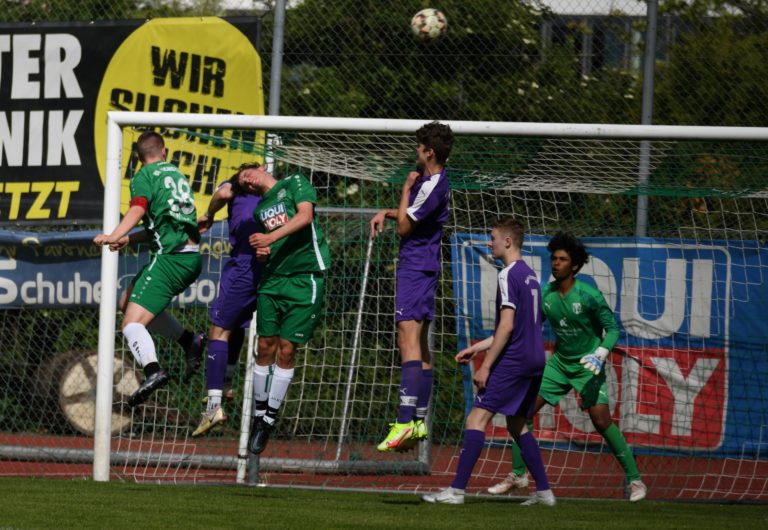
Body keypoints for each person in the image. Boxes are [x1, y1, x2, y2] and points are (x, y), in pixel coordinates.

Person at [487, 232, 647, 502]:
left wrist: (600, 353)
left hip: (589, 366)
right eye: (554, 258)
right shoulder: (545, 294)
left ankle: (635, 481)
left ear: (574, 266)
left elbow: (612, 330)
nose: (556, 263)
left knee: (601, 421)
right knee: (521, 413)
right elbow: (527, 327)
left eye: (562, 259)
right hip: (559, 364)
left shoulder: (589, 295)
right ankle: (518, 474)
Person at [421, 217, 554, 506]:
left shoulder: (508, 274)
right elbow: (518, 327)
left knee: (476, 418)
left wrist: (486, 365)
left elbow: (506, 327)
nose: (489, 242)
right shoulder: (531, 275)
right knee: (518, 423)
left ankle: (456, 491)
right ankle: (544, 492)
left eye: (492, 237)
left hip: (516, 359)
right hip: (534, 359)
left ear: (508, 241)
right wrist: (477, 348)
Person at [93, 131, 204, 407]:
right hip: (186, 257)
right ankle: (189, 340)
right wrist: (126, 238)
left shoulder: (144, 176)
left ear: (139, 157)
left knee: (131, 323)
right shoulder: (177, 175)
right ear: (164, 152)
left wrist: (112, 233)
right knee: (126, 301)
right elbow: (159, 225)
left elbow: (137, 210)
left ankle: (154, 371)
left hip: (171, 259)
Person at [369, 121, 453, 452]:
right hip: (424, 266)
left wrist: (404, 189)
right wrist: (386, 212)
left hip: (416, 267)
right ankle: (417, 421)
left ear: (429, 152)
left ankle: (404, 422)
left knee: (408, 340)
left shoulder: (429, 184)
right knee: (421, 343)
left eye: (418, 147)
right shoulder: (433, 183)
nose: (415, 152)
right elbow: (409, 217)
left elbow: (405, 226)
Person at [239, 164, 330, 454]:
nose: (249, 181)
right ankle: (258, 415)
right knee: (264, 346)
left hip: (305, 279)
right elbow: (268, 247)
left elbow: (305, 216)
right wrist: (264, 253)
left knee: (288, 349)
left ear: (261, 167)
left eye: (248, 174)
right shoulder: (259, 211)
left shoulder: (294, 182)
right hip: (273, 280)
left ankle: (269, 418)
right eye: (244, 184)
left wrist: (270, 239)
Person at [191, 163, 265, 437]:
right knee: (236, 325)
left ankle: (213, 407)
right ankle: (227, 384)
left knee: (218, 331)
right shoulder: (271, 192)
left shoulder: (237, 189)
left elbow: (221, 194)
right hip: (269, 265)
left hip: (245, 265)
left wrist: (209, 215)